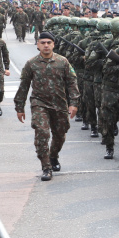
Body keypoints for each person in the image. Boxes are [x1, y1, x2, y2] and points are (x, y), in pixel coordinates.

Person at [13, 32, 80, 181]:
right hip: (39, 104)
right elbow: (24, 86)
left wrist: (74, 103)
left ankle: (53, 155)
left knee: (60, 135)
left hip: (59, 104)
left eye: (49, 42)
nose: (46, 45)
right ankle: (46, 166)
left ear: (53, 45)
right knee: (42, 133)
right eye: (42, 42)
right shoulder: (32, 64)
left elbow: (72, 83)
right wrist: (20, 107)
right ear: (38, 45)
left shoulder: (63, 62)